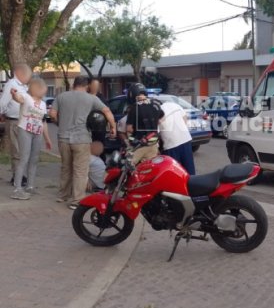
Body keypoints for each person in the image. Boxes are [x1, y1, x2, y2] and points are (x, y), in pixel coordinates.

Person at [50, 76, 116, 209]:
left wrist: (59, 123)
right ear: (86, 86)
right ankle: (76, 200)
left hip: (63, 138)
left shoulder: (61, 96)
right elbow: (106, 111)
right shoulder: (91, 98)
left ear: (74, 84)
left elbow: (52, 114)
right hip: (82, 139)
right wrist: (113, 126)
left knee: (66, 167)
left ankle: (63, 195)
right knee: (80, 170)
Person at [10, 78, 52, 200]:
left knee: (34, 159)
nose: (43, 92)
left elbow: (43, 122)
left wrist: (47, 139)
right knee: (24, 158)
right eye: (42, 90)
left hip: (37, 132)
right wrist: (14, 94)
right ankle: (17, 188)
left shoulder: (43, 104)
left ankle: (30, 186)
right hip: (25, 130)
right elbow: (18, 98)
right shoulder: (26, 97)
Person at [0, 64, 32, 185]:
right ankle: (17, 176)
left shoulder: (23, 87)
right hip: (14, 121)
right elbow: (3, 102)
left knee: (24, 150)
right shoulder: (12, 85)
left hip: (23, 121)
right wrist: (2, 113)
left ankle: (21, 174)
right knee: (17, 150)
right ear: (21, 73)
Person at [126, 83, 164, 164]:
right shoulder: (155, 104)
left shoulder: (134, 108)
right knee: (148, 169)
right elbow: (161, 119)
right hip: (153, 145)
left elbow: (129, 129)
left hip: (140, 146)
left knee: (128, 166)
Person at [159, 101, 195, 175]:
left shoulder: (158, 110)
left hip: (171, 144)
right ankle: (193, 184)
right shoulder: (175, 105)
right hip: (185, 139)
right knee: (189, 167)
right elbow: (185, 119)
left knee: (175, 171)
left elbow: (157, 132)